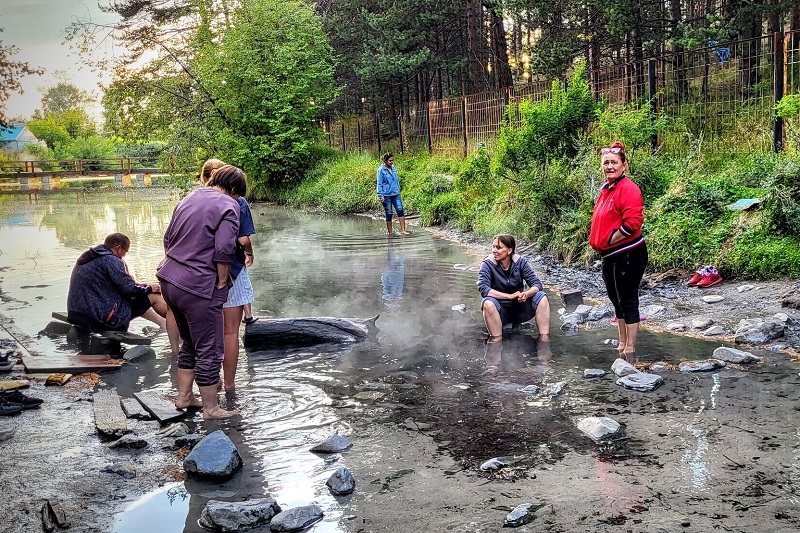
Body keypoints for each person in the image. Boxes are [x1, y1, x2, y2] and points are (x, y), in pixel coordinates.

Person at [156, 164, 246, 419]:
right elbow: (224, 250)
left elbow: (167, 238)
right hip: (197, 285)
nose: (238, 200)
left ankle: (184, 396)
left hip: (169, 278)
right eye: (238, 195)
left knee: (191, 342)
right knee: (209, 345)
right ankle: (211, 408)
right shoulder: (228, 206)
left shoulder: (190, 197)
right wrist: (221, 282)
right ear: (232, 189)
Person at [198, 159, 257, 392]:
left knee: (206, 333)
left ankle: (206, 384)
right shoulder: (237, 202)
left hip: (200, 273)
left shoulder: (193, 201)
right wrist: (249, 253)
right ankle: (229, 384)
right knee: (230, 331)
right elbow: (240, 240)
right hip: (229, 270)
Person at [589, 141, 647, 361]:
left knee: (628, 300)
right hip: (610, 255)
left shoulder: (629, 189)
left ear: (624, 165)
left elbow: (632, 223)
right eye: (606, 163)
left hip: (628, 254)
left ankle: (630, 349)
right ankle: (622, 342)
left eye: (614, 162)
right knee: (616, 299)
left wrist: (609, 239)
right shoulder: (607, 189)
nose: (609, 166)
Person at [67, 233, 168, 332]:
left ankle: (163, 323)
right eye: (125, 251)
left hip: (76, 313)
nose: (124, 256)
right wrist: (149, 288)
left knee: (135, 297)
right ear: (118, 248)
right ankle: (177, 323)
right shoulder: (111, 260)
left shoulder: (89, 256)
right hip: (99, 318)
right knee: (153, 296)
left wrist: (143, 287)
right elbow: (129, 289)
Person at [478, 234, 551, 341]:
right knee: (487, 303)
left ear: (509, 250)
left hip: (519, 309)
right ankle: (495, 342)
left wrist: (527, 294)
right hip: (499, 311)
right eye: (493, 247)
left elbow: (537, 284)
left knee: (542, 297)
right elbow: (484, 289)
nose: (494, 250)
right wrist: (509, 296)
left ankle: (544, 341)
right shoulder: (487, 264)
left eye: (498, 247)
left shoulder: (520, 262)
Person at [376, 152, 408, 235]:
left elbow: (396, 180)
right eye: (390, 161)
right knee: (389, 213)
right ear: (385, 161)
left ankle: (403, 230)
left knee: (400, 210)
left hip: (395, 193)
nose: (392, 162)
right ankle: (390, 233)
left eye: (392, 160)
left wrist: (398, 188)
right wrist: (380, 195)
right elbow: (379, 183)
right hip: (386, 195)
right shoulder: (381, 170)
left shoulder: (393, 168)